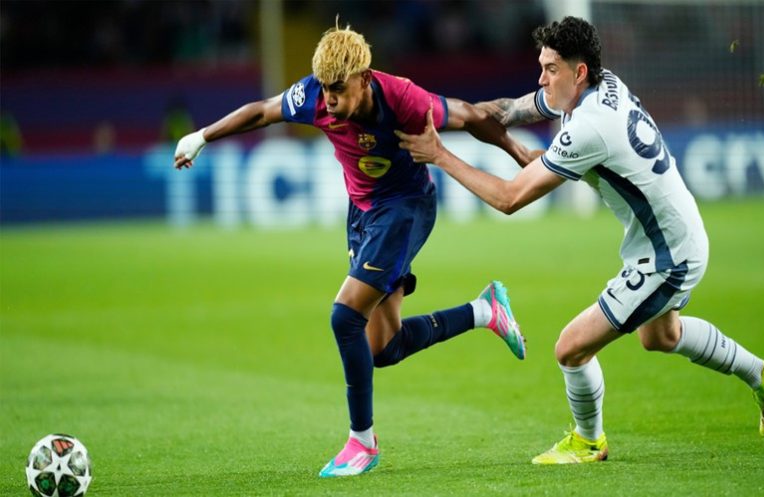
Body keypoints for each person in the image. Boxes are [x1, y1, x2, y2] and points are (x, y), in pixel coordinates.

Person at [397, 16, 764, 465]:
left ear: (579, 71)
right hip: (676, 236)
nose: (541, 79)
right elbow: (507, 111)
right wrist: (445, 113)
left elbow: (508, 199)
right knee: (661, 335)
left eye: (550, 69)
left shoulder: (590, 127)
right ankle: (762, 374)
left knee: (571, 348)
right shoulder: (605, 85)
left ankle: (589, 442)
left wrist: (439, 155)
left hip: (667, 256)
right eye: (541, 67)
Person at [173, 21, 530, 478]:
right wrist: (202, 137)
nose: (329, 100)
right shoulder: (314, 96)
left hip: (404, 209)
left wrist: (518, 152)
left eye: (338, 89)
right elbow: (262, 112)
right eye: (324, 89)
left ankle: (362, 442)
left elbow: (470, 114)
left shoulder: (402, 98)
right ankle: (485, 311)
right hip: (362, 214)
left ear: (364, 78)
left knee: (345, 316)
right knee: (384, 348)